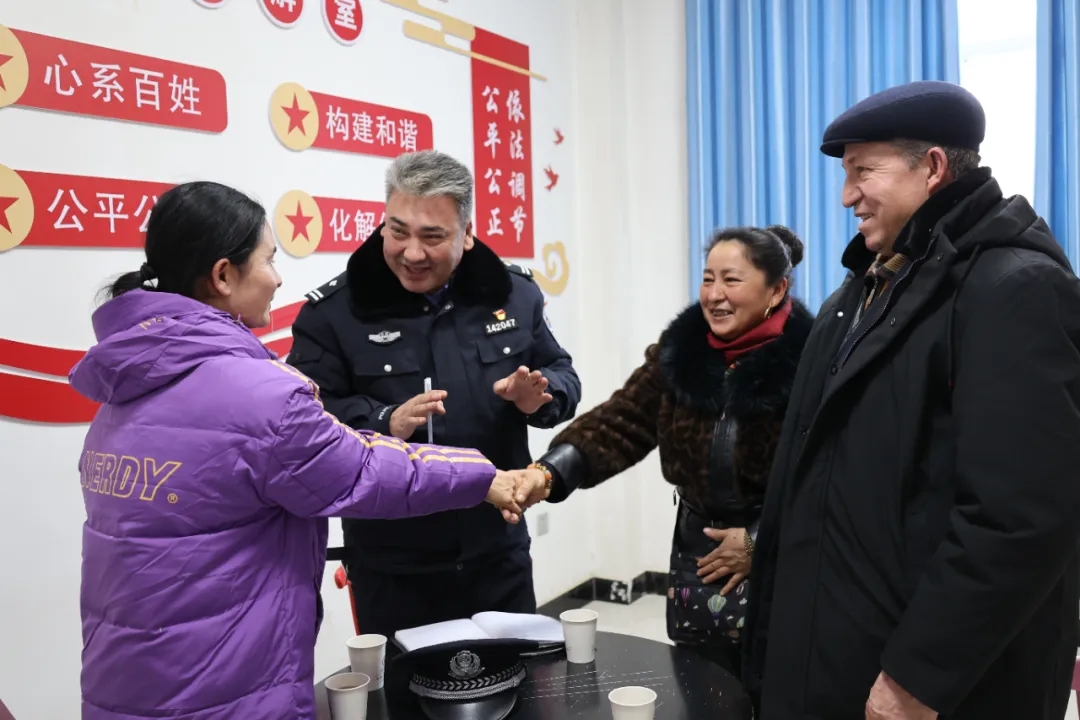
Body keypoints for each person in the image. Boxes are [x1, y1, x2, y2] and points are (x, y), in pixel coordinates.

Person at [69, 181, 543, 720]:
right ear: (223, 276)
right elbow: (360, 470)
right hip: (224, 684)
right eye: (269, 259)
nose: (277, 278)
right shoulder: (259, 388)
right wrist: (484, 476)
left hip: (126, 682)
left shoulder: (123, 388)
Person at [743, 80, 1080, 720]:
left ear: (933, 167)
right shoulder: (862, 293)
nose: (846, 196)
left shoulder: (1014, 289)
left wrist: (916, 679)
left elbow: (1019, 519)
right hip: (835, 657)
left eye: (863, 171)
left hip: (928, 688)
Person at [287, 150, 581, 637]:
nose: (412, 253)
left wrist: (540, 398)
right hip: (393, 567)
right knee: (406, 684)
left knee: (516, 680)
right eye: (398, 231)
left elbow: (562, 372)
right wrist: (383, 421)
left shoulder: (512, 294)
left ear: (467, 234)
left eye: (432, 237)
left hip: (497, 553)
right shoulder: (334, 314)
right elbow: (305, 421)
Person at [519, 225, 813, 675]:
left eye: (731, 280)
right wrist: (548, 473)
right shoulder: (680, 353)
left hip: (785, 554)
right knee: (704, 685)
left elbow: (827, 471)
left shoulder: (812, 360)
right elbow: (620, 421)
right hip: (698, 555)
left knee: (780, 683)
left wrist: (759, 539)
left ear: (777, 289)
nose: (714, 295)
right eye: (707, 279)